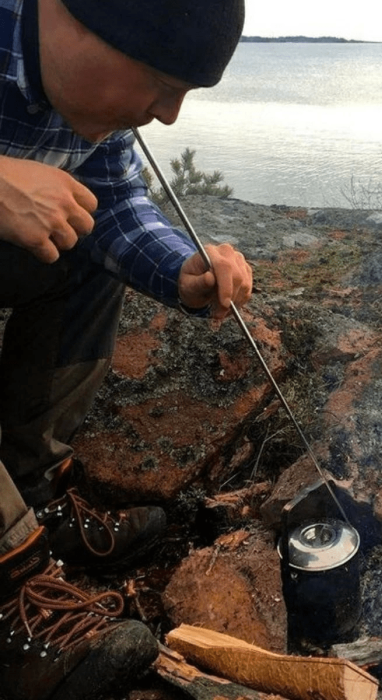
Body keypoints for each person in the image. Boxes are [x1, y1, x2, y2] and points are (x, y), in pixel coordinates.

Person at [0, 0, 251, 698]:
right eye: (161, 82)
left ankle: (32, 494)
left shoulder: (92, 108)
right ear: (65, 16)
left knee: (78, 238)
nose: (169, 116)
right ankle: (9, 592)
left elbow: (112, 198)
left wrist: (181, 271)